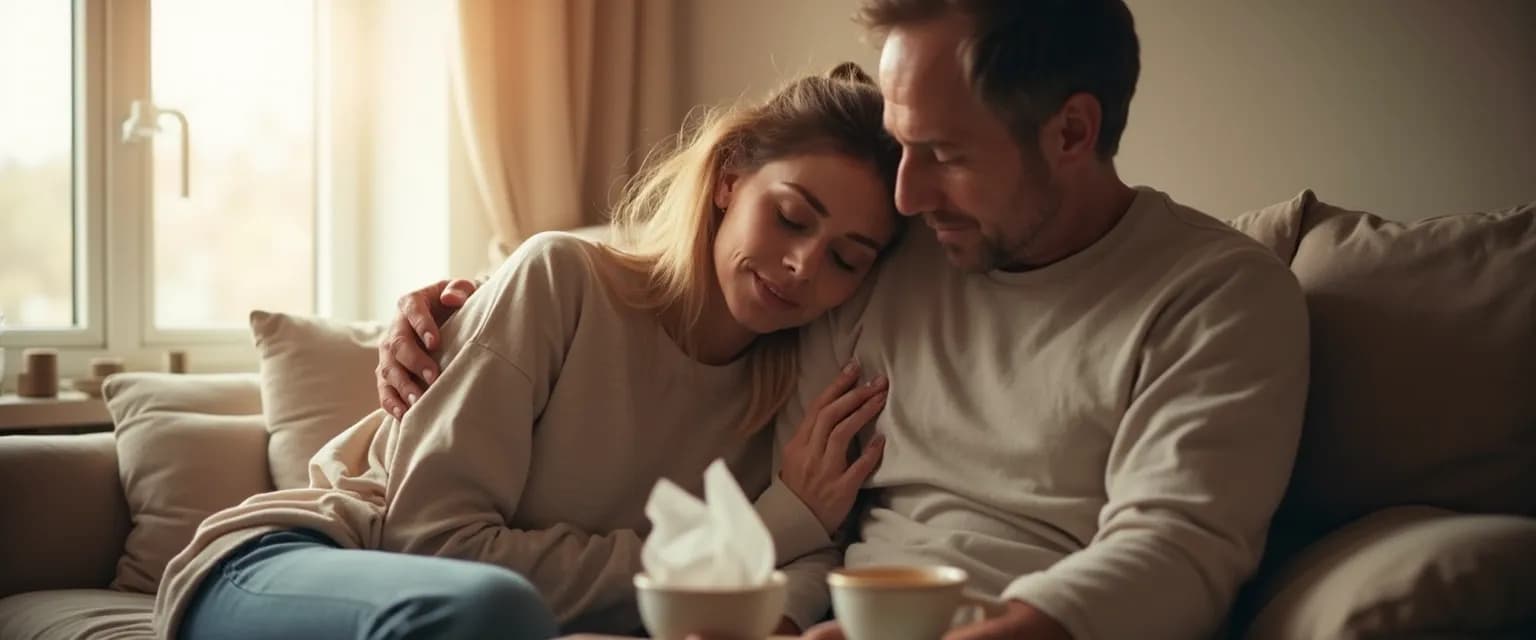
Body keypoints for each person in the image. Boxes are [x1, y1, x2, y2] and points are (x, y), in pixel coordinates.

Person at [384, 1, 1312, 639]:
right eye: (903, 149)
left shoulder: (1217, 295)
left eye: (943, 153)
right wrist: (780, 624)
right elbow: (813, 517)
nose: (906, 194)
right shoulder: (888, 262)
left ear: (1071, 132)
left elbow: (1177, 550)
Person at [151, 63, 907, 640]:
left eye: (847, 259)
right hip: (298, 560)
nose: (803, 266)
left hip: (479, 615)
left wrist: (766, 595)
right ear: (729, 181)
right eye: (790, 217)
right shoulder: (562, 279)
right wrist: (749, 541)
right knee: (492, 611)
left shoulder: (795, 383)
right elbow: (429, 544)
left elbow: (811, 559)